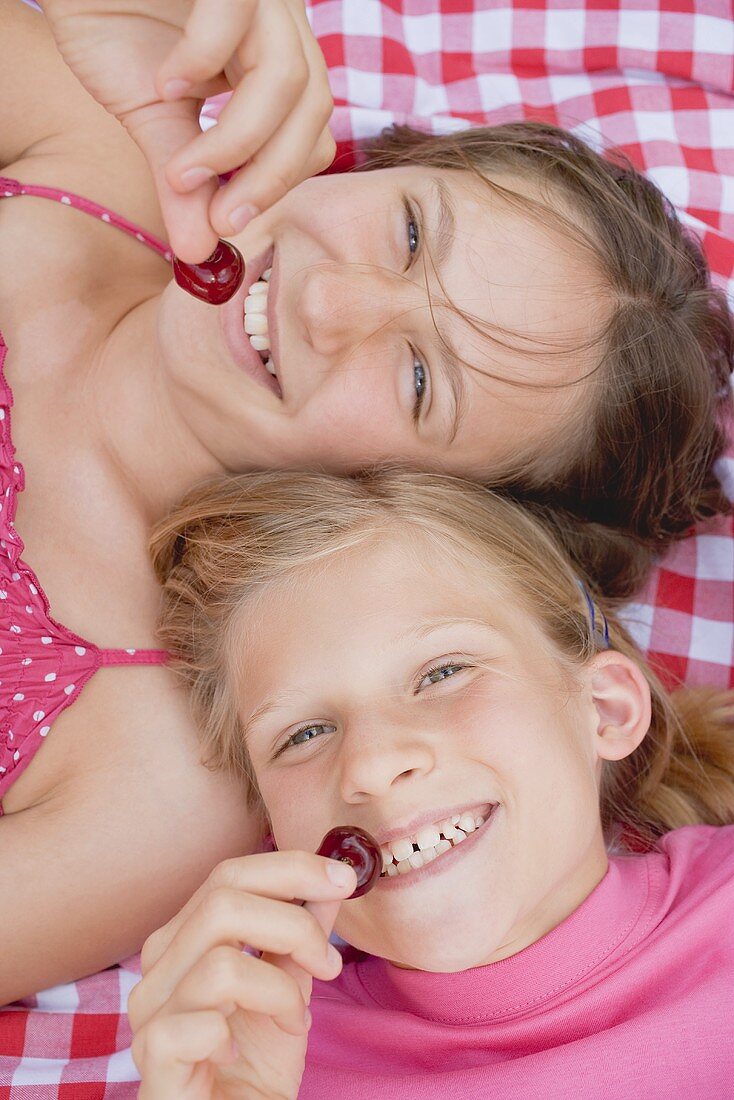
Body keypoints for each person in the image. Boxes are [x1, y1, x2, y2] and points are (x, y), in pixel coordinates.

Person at [1, 0, 731, 1002]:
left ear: (412, 503)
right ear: (373, 164)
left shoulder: (158, 781)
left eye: (419, 380)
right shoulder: (82, 134)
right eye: (406, 230)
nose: (327, 301)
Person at [129, 468, 734, 1098]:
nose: (369, 765)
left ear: (604, 710)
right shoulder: (244, 1054)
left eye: (443, 673)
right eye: (303, 735)